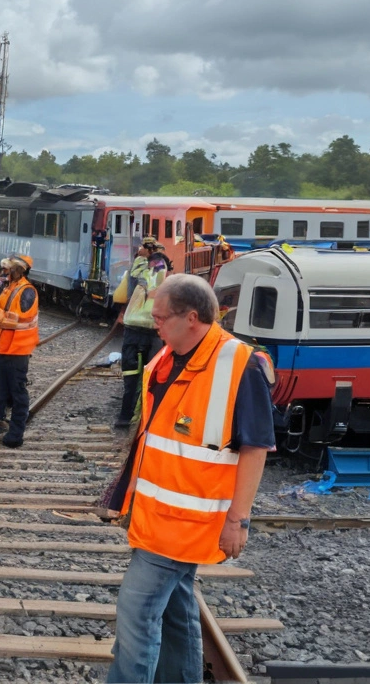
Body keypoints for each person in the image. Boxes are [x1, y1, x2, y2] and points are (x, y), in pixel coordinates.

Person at [105, 274, 274, 684]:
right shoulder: (169, 356)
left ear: (192, 317)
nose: (154, 323)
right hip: (157, 516)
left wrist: (239, 520)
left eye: (161, 317)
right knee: (176, 610)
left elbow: (256, 448)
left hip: (186, 523)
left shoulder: (240, 364)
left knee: (136, 609)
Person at [0, 255, 38, 448]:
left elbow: (22, 319)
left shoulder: (27, 291)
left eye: (10, 269)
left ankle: (15, 435)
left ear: (20, 270)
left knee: (17, 394)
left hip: (18, 350)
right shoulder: (9, 288)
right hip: (4, 348)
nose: (6, 272)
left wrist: (0, 316)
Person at [116, 242, 169, 429]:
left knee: (131, 378)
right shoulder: (164, 281)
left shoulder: (139, 274)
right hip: (151, 332)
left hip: (133, 329)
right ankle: (146, 419)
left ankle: (125, 417)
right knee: (151, 378)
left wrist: (141, 255)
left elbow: (133, 273)